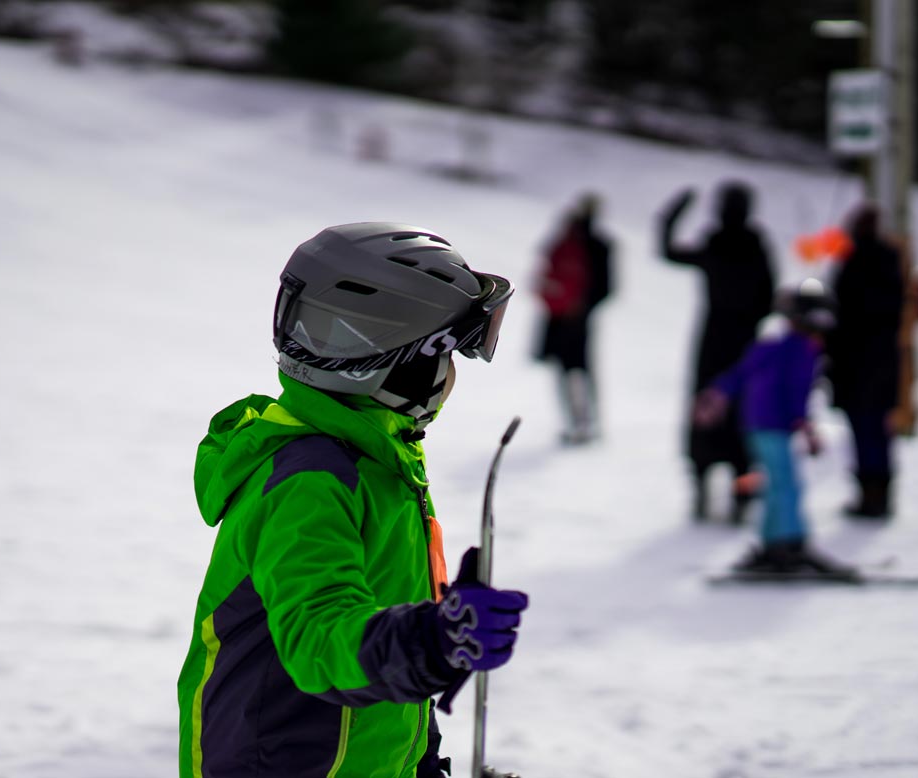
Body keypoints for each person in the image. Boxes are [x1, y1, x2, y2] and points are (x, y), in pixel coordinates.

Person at [177, 223, 530, 778]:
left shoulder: (378, 465)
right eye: (452, 353)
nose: (454, 374)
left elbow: (376, 666)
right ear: (407, 362)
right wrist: (433, 640)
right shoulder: (310, 481)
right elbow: (322, 640)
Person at [694, 279, 850, 574]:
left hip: (757, 424)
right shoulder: (802, 349)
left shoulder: (772, 345)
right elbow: (795, 391)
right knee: (786, 485)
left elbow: (739, 373)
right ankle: (786, 544)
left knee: (778, 484)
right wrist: (804, 426)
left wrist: (715, 395)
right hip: (774, 424)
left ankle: (774, 542)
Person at [658, 181, 776, 523]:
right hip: (743, 343)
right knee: (742, 418)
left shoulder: (717, 243)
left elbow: (669, 251)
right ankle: (742, 494)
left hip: (713, 340)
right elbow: (768, 299)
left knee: (706, 413)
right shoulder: (756, 246)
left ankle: (703, 489)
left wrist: (670, 217)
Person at [826, 203, 905, 518]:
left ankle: (873, 494)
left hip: (858, 363)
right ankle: (877, 492)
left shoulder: (855, 259)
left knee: (866, 429)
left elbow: (840, 311)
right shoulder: (886, 259)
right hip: (877, 363)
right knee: (873, 430)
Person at [534, 193, 614, 444]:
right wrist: (584, 308)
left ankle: (576, 422)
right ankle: (586, 422)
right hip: (576, 320)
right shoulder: (599, 244)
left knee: (566, 371)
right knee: (581, 371)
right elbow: (606, 287)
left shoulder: (566, 238)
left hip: (557, 317)